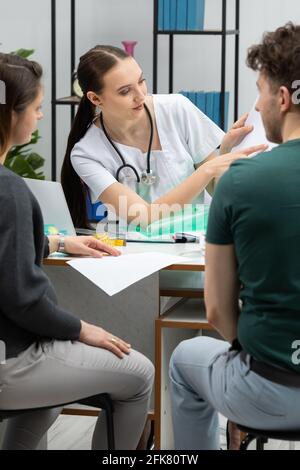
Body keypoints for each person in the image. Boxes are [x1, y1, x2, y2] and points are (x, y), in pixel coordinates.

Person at [0, 52, 154, 450]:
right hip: (12, 360)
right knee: (139, 373)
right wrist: (85, 330)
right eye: (35, 108)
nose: (40, 117)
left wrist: (57, 243)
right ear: (11, 116)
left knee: (46, 403)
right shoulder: (9, 190)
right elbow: (23, 301)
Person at [169, 22, 300, 450]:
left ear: (283, 98)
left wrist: (250, 346)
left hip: (269, 389)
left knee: (185, 359)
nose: (258, 105)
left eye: (261, 90)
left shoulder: (240, 182)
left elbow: (216, 310)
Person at [61, 45, 266, 230]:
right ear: (95, 98)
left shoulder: (176, 109)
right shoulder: (86, 153)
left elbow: (216, 190)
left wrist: (226, 150)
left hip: (199, 243)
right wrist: (207, 170)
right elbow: (143, 217)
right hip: (139, 256)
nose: (140, 95)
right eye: (125, 91)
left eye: (141, 81)